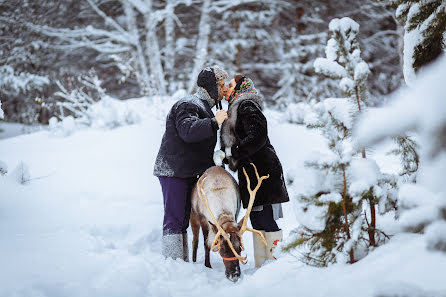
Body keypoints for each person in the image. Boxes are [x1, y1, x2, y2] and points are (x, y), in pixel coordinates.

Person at [153, 65, 228, 261]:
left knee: (184, 218)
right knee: (175, 218)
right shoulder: (188, 104)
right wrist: (214, 123)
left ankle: (180, 263)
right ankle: (172, 262)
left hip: (186, 170)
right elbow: (188, 131)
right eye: (221, 85)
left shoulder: (204, 107)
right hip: (173, 170)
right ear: (211, 87)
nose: (224, 89)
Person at [219, 75, 289, 267]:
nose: (226, 89)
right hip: (253, 173)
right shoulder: (237, 108)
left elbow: (257, 136)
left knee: (265, 219)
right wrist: (226, 155)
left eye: (230, 85)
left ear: (241, 88)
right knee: (257, 220)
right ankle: (263, 266)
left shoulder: (247, 105)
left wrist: (231, 152)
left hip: (263, 173)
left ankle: (276, 265)